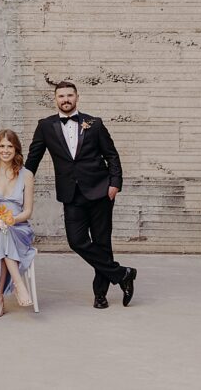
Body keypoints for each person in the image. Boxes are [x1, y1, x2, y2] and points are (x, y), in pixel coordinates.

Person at [25, 81, 136, 309]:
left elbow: (112, 156)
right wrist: (19, 184)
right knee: (77, 241)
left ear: (77, 97)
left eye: (69, 95)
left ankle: (100, 295)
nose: (65, 100)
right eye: (61, 96)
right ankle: (122, 274)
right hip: (71, 194)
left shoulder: (94, 124)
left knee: (102, 242)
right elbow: (33, 158)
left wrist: (115, 184)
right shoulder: (46, 126)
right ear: (55, 99)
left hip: (100, 191)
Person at [0, 129, 36, 318]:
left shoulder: (26, 175)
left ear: (16, 149)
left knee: (6, 231)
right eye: (2, 146)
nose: (5, 150)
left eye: (10, 146)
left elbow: (27, 211)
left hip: (19, 228)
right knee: (2, 231)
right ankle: (19, 285)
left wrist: (11, 220)